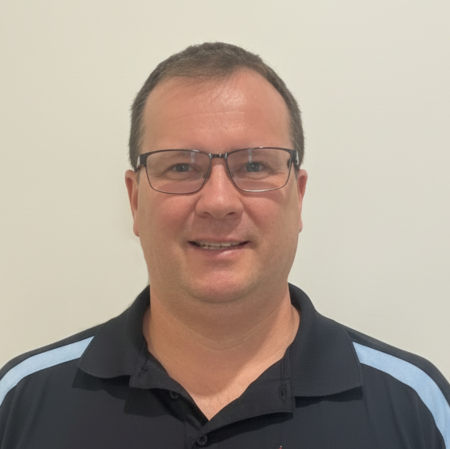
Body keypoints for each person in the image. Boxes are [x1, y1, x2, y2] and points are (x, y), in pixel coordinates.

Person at [0, 42, 449, 449]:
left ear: (298, 197)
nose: (218, 202)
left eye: (254, 165)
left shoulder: (418, 408)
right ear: (135, 201)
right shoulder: (19, 403)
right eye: (180, 167)